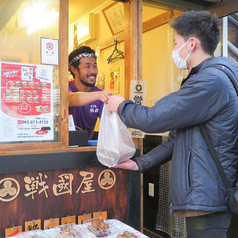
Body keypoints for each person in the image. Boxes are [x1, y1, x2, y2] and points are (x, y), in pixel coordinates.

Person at [108, 10, 238, 238]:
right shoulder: (208, 77)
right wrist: (140, 164)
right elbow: (176, 140)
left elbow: (153, 118)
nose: (174, 49)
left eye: (176, 42)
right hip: (204, 194)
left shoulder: (210, 81)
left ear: (191, 44)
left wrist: (121, 106)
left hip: (209, 196)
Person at [68, 46, 112, 139]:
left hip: (86, 148)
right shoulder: (64, 88)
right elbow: (70, 99)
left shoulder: (100, 96)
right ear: (74, 70)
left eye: (95, 66)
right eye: (87, 66)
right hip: (62, 149)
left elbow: (109, 124)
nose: (93, 71)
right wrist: (98, 95)